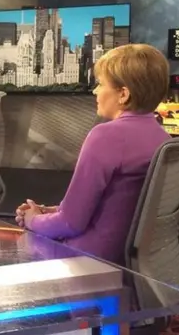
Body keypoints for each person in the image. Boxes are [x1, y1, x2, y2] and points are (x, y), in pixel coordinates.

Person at [15, 44, 171, 265]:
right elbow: (116, 206)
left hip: (89, 259)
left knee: (16, 248)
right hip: (129, 262)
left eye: (101, 84)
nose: (95, 91)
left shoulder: (106, 136)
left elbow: (71, 223)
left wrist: (31, 220)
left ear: (123, 94)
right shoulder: (162, 138)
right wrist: (49, 211)